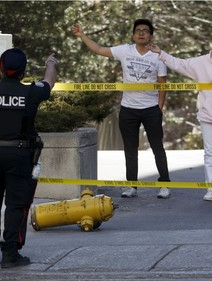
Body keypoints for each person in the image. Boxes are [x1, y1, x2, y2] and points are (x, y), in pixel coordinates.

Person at [0, 48, 57, 268]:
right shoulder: (31, 93)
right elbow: (49, 81)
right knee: (17, 204)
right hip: (21, 156)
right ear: (23, 71)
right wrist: (51, 63)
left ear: (0, 69)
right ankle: (10, 254)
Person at [72, 19, 171, 199]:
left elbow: (162, 85)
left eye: (145, 30)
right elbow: (99, 49)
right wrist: (82, 35)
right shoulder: (125, 50)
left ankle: (164, 184)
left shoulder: (158, 56)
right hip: (128, 109)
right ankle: (131, 186)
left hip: (151, 109)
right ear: (133, 35)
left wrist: (159, 108)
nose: (141, 33)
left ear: (151, 35)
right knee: (130, 148)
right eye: (138, 30)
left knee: (157, 147)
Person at [149, 30, 212, 201]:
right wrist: (161, 53)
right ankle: (211, 189)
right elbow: (180, 64)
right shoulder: (202, 62)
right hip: (207, 115)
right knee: (209, 154)